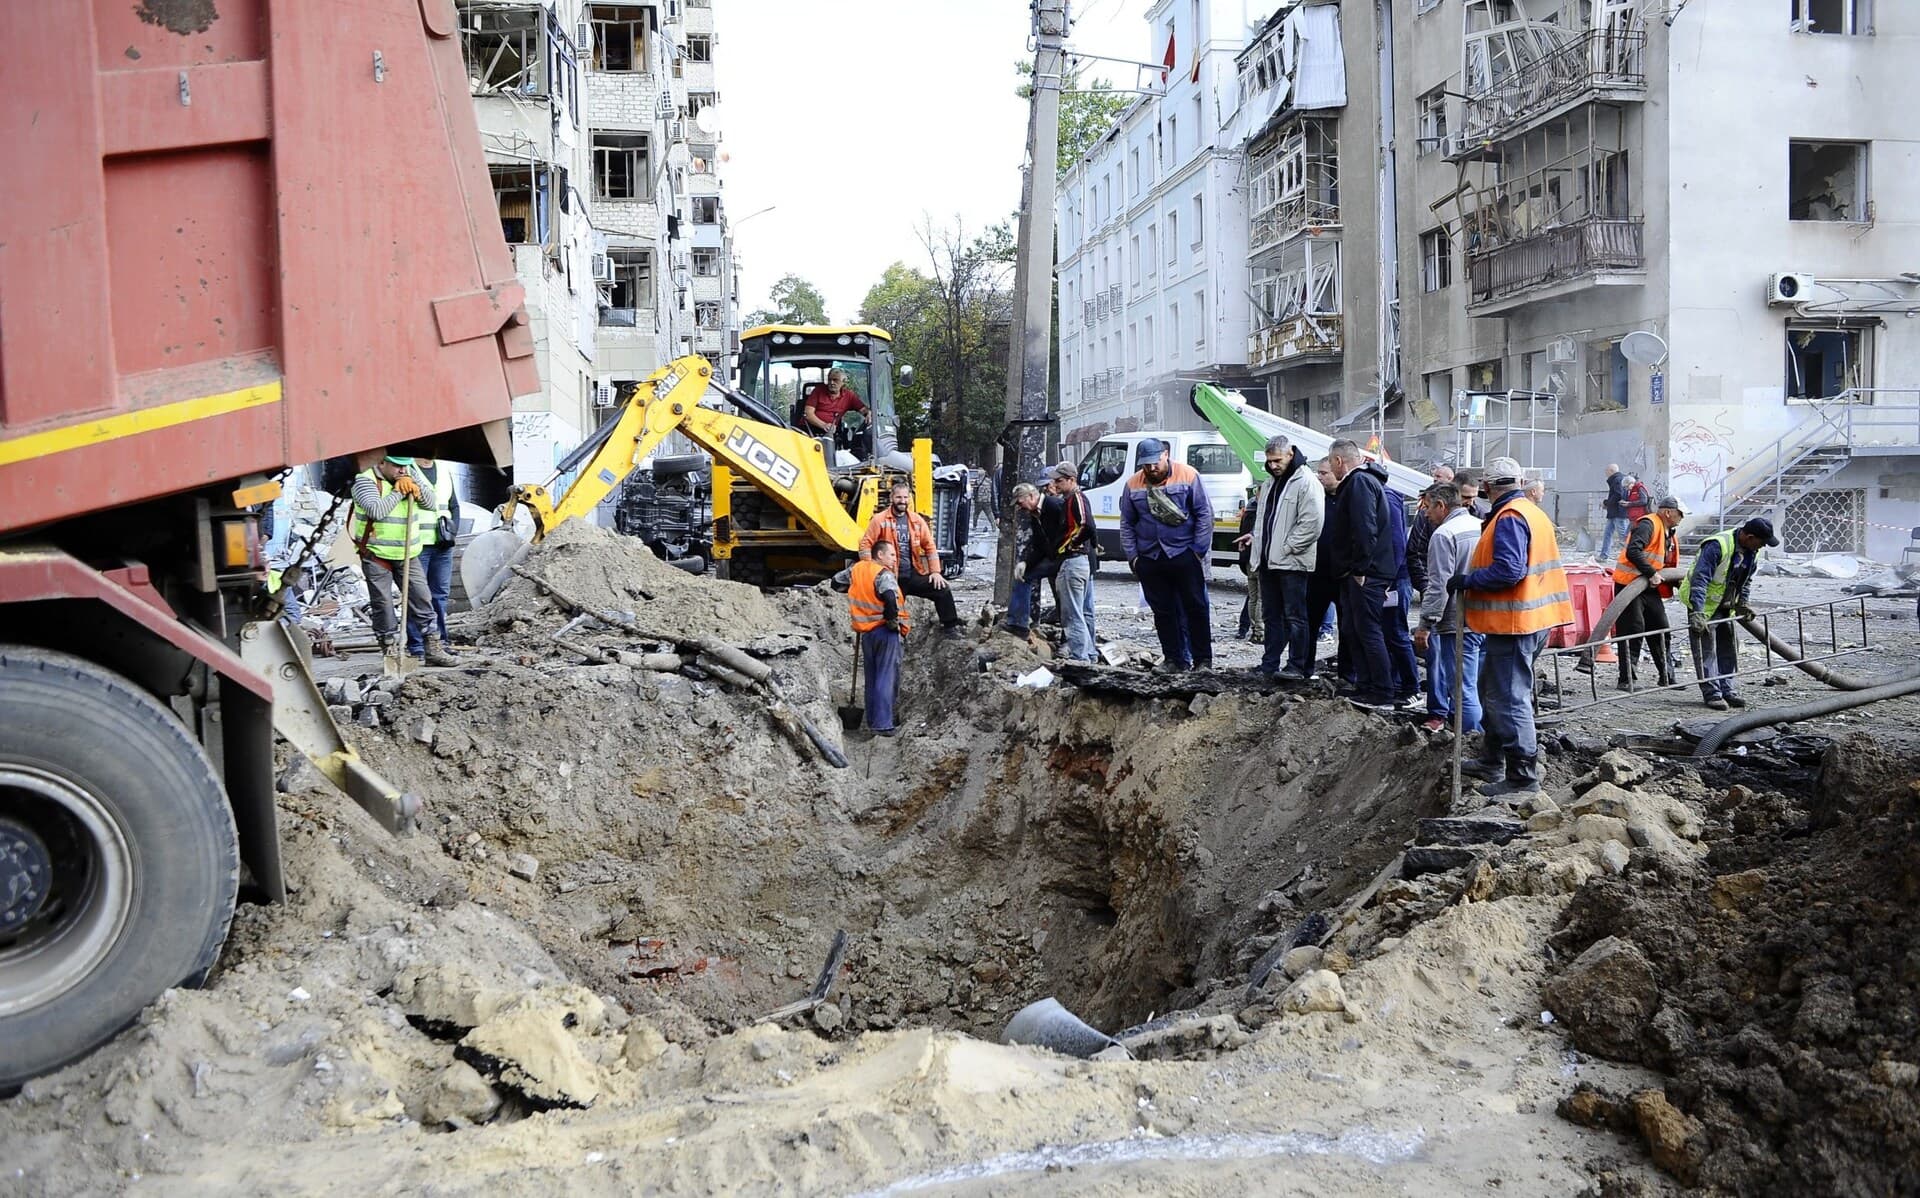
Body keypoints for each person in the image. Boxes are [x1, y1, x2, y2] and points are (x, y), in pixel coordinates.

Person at [1449, 457, 1573, 794]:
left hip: (1515, 622)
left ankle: (1522, 777)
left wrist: (1468, 580)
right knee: (1495, 690)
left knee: (1508, 697)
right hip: (1530, 620)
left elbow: (1509, 570)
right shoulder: (1531, 510)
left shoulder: (1511, 518)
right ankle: (1493, 759)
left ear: (1488, 487)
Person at [350, 453, 456, 666]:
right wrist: (399, 491)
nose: (402, 471)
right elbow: (376, 511)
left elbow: (431, 504)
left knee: (422, 598)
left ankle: (432, 647)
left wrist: (415, 485)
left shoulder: (410, 474)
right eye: (397, 466)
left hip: (408, 552)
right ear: (382, 463)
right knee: (383, 604)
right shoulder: (364, 481)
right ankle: (389, 648)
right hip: (376, 554)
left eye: (405, 467)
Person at [1119, 437, 1214, 670]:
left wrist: (1197, 552)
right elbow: (1127, 523)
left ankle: (1202, 660)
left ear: (1165, 455)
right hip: (1150, 558)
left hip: (1184, 554)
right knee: (1163, 611)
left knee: (1196, 608)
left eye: (1155, 463)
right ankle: (1174, 659)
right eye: (1146, 465)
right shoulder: (1133, 485)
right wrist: (1134, 558)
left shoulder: (1188, 476)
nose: (1151, 468)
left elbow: (1204, 514)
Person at [1238, 435, 1324, 677]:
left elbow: (1312, 523)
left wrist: (1286, 548)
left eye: (1277, 460)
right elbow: (1267, 522)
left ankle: (1296, 666)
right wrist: (1258, 542)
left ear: (1290, 454)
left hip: (1291, 563)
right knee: (1271, 616)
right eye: (1269, 461)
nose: (1273, 465)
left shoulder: (1306, 481)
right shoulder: (1270, 483)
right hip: (1269, 562)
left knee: (1296, 617)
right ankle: (1270, 665)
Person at [1324, 439, 1399, 709]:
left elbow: (1365, 529)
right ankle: (1366, 685)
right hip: (1362, 571)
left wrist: (1360, 569)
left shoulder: (1359, 484)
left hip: (1366, 573)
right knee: (1353, 629)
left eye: (1330, 463)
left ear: (1339, 461)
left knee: (1367, 630)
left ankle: (1382, 691)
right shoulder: (1364, 483)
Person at [1681, 517, 1777, 710]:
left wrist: (1743, 603)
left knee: (1728, 649)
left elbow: (1746, 580)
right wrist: (1697, 613)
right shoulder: (1717, 546)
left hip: (1725, 605)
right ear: (1750, 537)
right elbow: (1700, 579)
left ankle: (1728, 690)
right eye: (1762, 542)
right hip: (1704, 606)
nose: (1762, 546)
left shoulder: (1752, 551)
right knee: (1706, 650)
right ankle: (1712, 693)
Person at [1415, 483, 1484, 733]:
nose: (1425, 514)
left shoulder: (1444, 535)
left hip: (1457, 621)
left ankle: (1468, 745)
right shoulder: (1479, 526)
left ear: (1441, 506)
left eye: (1427, 507)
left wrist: (1425, 625)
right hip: (1484, 616)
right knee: (1476, 684)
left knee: (1462, 687)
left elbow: (1438, 585)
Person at [859, 482, 963, 637]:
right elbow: (865, 544)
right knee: (889, 607)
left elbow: (930, 546)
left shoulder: (916, 521)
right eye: (899, 497)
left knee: (942, 589)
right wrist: (869, 570)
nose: (902, 500)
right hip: (889, 576)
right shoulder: (880, 520)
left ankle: (950, 627)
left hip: (912, 573)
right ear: (891, 498)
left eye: (905, 497)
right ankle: (888, 634)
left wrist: (935, 572)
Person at [1020, 462, 1097, 661]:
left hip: (1073, 561)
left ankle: (1081, 659)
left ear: (1071, 480)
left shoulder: (1074, 499)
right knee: (1083, 612)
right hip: (1080, 561)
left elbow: (1087, 526)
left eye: (1059, 481)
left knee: (1073, 615)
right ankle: (1090, 654)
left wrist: (1068, 544)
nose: (1055, 485)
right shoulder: (1068, 500)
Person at [832, 539, 907, 736]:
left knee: (872, 678)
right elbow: (890, 598)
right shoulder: (883, 574)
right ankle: (883, 725)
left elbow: (835, 583)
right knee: (886, 678)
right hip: (885, 631)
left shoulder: (857, 569)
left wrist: (853, 592)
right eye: (891, 555)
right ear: (879, 555)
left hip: (866, 633)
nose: (894, 559)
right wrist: (892, 621)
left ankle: (873, 720)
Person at [1612, 494, 1684, 690]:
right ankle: (1626, 679)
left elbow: (1665, 562)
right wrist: (1651, 573)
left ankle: (1667, 676)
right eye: (1680, 514)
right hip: (1630, 584)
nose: (1681, 518)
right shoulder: (1648, 524)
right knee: (1633, 630)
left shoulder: (1669, 532)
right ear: (1668, 512)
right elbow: (1633, 551)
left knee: (1660, 627)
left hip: (1649, 587)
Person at [407, 457, 460, 658]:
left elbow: (453, 504)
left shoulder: (444, 470)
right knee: (418, 596)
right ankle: (417, 646)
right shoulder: (408, 468)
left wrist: (452, 530)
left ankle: (440, 643)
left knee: (439, 595)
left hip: (442, 544)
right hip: (418, 543)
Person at [1303, 457, 1344, 679]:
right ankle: (1304, 667)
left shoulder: (1349, 499)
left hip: (1342, 574)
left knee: (1346, 628)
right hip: (1316, 573)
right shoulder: (1315, 499)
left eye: (1324, 473)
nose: (1320, 477)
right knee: (1309, 624)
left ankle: (1347, 673)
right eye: (1318, 473)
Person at [1003, 482, 1046, 637]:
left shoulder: (1049, 507)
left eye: (1021, 502)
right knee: (1024, 578)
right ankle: (1023, 622)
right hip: (1046, 552)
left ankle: (1021, 622)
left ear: (1031, 496)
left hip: (1056, 554)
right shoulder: (1032, 513)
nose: (1020, 506)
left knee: (1024, 578)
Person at [802, 369, 866, 436]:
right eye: (829, 380)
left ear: (843, 382)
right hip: (808, 429)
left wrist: (869, 413)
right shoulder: (818, 391)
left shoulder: (849, 396)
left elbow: (863, 410)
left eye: (835, 380)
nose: (831, 382)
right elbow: (808, 414)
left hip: (830, 432)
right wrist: (824, 425)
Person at [1599, 464, 1631, 560]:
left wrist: (1607, 503)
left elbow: (1618, 495)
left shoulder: (1617, 480)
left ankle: (1633, 555)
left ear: (1611, 471)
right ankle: (1604, 555)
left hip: (1618, 513)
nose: (1606, 474)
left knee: (1623, 536)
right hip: (1614, 512)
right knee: (1607, 534)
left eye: (1606, 471)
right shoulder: (1619, 479)